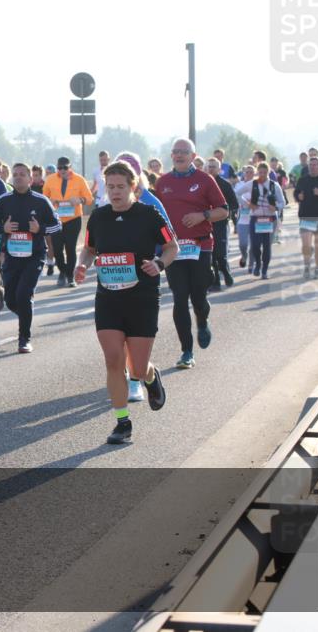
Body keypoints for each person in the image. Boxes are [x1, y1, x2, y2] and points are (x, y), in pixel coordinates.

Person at [76, 161, 176, 444]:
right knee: (113, 360)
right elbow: (90, 249)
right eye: (110, 187)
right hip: (108, 298)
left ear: (133, 187)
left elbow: (172, 247)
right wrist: (82, 265)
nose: (115, 192)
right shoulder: (98, 217)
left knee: (137, 368)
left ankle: (150, 376)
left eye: (121, 187)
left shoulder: (150, 214)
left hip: (142, 298)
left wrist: (159, 263)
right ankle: (122, 422)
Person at [155, 138, 229, 370]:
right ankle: (186, 350)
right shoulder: (162, 182)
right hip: (174, 249)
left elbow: (224, 211)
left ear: (193, 155)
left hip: (200, 246)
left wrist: (202, 216)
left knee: (198, 297)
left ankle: (203, 320)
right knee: (179, 297)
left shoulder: (205, 180)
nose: (179, 155)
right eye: (175, 152)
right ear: (171, 156)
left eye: (184, 152)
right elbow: (155, 214)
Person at [113, 151, 174, 403]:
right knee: (118, 336)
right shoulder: (108, 202)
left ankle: (138, 378)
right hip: (114, 278)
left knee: (136, 335)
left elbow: (169, 239)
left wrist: (157, 261)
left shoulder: (151, 202)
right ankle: (131, 375)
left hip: (144, 277)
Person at [0, 163, 60, 353]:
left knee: (24, 294)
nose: (18, 177)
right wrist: (2, 229)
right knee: (12, 299)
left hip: (35, 255)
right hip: (11, 256)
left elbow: (57, 226)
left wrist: (41, 229)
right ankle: (25, 315)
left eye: (22, 174)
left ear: (30, 179)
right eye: (15, 175)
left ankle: (24, 339)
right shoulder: (3, 201)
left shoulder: (41, 201)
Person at [43, 156, 93, 288]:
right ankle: (62, 272)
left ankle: (70, 276)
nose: (62, 170)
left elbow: (89, 199)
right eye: (60, 168)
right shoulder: (50, 179)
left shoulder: (79, 179)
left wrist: (80, 200)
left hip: (73, 219)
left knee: (70, 248)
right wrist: (50, 201)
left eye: (65, 167)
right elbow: (44, 197)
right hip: (56, 219)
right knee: (57, 249)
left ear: (70, 167)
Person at [205, 157, 239, 291]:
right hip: (206, 223)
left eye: (214, 166)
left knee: (220, 253)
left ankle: (225, 271)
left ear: (219, 169)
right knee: (210, 254)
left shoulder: (225, 185)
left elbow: (234, 204)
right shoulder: (202, 184)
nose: (211, 169)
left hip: (221, 223)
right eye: (209, 166)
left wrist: (231, 219)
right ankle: (215, 282)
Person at [247, 162, 285, 280]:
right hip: (256, 218)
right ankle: (258, 263)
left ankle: (264, 270)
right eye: (260, 172)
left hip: (270, 219)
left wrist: (276, 207)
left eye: (265, 172)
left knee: (267, 245)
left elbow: (283, 202)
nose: (262, 175)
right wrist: (248, 204)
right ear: (257, 172)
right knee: (255, 245)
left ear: (268, 172)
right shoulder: (252, 184)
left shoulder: (274, 185)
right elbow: (237, 193)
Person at [233, 165, 256, 271]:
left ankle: (251, 264)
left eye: (251, 172)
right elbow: (235, 197)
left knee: (253, 245)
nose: (249, 174)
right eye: (247, 172)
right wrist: (245, 203)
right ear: (243, 173)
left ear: (254, 174)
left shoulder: (257, 185)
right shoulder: (239, 185)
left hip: (255, 219)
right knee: (243, 244)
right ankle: (244, 256)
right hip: (242, 219)